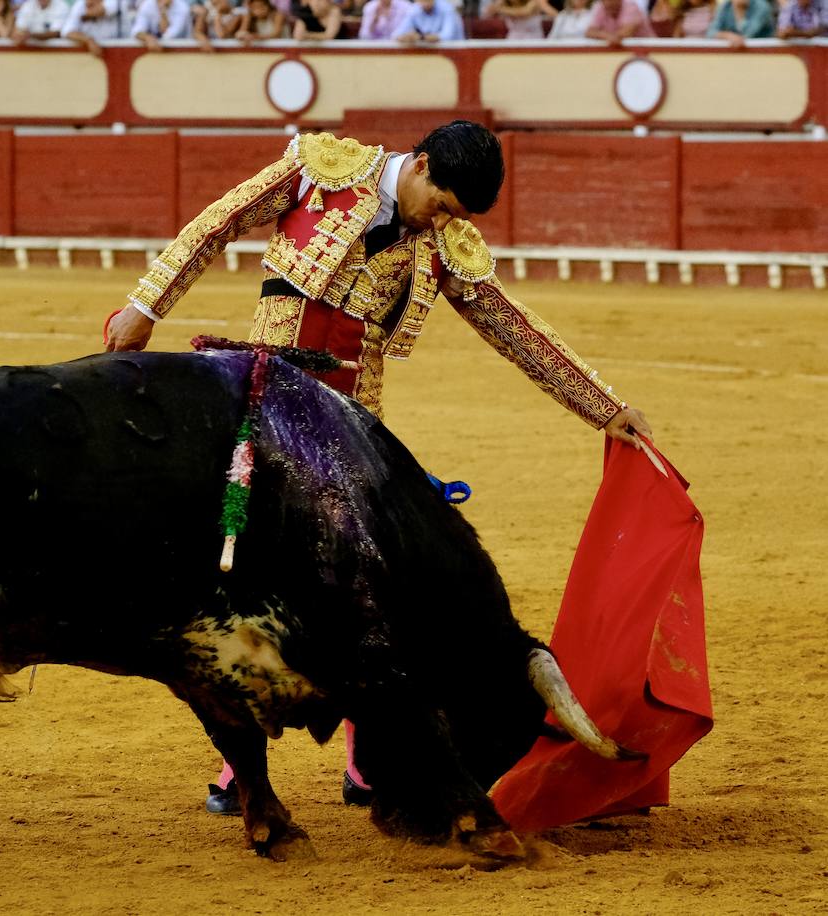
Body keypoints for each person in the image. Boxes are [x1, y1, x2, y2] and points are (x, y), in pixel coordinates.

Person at [102, 121, 653, 815]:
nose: (443, 221)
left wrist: (604, 408)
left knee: (369, 585)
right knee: (247, 577)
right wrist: (147, 304)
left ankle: (370, 759)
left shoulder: (445, 244)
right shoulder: (318, 171)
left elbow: (512, 327)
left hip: (354, 425)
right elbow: (217, 225)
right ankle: (237, 763)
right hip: (266, 407)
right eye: (444, 203)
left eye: (456, 216)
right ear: (419, 165)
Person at [391, 0, 463, 42]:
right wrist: (406, 37)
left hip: (455, 55)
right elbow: (395, 35)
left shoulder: (447, 9)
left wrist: (421, 37)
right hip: (431, 56)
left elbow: (447, 37)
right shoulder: (414, 10)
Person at [583, 0, 653, 40]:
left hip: (651, 51)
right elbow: (589, 32)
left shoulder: (631, 6)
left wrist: (601, 35)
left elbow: (623, 34)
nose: (607, 3)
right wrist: (607, 36)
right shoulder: (601, 7)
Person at [706, 0, 772, 41]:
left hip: (764, 54)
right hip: (737, 56)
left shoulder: (761, 6)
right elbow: (710, 32)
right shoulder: (725, 6)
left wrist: (739, 11)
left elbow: (748, 34)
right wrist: (727, 36)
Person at [483, 0, 554, 37]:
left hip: (533, 39)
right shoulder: (504, 3)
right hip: (513, 39)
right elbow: (486, 14)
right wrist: (499, 2)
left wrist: (501, 9)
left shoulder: (534, 2)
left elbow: (524, 12)